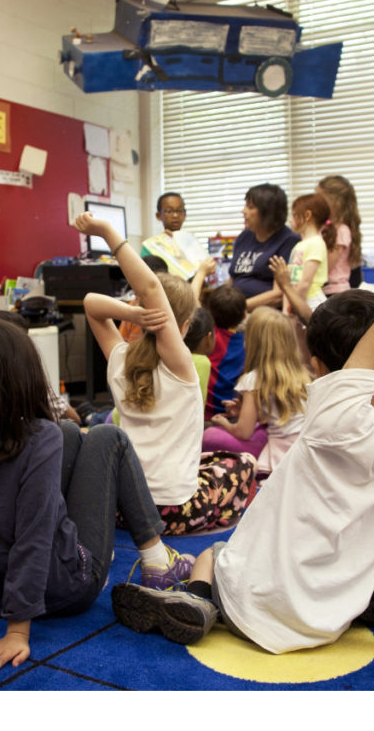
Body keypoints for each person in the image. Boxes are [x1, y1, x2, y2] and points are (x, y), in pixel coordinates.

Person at [110, 212, 374, 652]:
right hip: (331, 613)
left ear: (317, 367)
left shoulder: (332, 413)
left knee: (214, 555)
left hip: (252, 602)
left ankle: (197, 597)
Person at [0, 318, 193, 677]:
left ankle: (156, 563)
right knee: (108, 437)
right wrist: (17, 631)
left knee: (69, 432)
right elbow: (33, 535)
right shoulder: (37, 435)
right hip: (66, 590)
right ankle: (157, 566)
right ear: (25, 374)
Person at [76, 211, 257, 536]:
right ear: (184, 326)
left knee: (209, 458)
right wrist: (106, 231)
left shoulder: (119, 358)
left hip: (124, 510)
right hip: (173, 513)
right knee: (244, 464)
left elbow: (90, 303)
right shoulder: (181, 366)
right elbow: (149, 285)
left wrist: (131, 312)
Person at [204, 307, 310, 475]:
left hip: (280, 451)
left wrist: (222, 422)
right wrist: (243, 410)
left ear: (253, 341)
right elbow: (280, 415)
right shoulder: (302, 375)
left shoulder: (254, 379)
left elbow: (243, 432)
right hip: (304, 447)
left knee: (210, 435)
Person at [228, 184, 300, 311]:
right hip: (236, 311)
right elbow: (233, 278)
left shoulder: (289, 241)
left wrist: (237, 309)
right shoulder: (245, 236)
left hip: (265, 314)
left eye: (250, 207)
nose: (243, 211)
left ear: (268, 212)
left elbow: (279, 294)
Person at [275, 193, 331, 315]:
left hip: (311, 301)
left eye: (294, 215)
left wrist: (291, 306)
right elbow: (289, 280)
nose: (290, 220)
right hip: (297, 300)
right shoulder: (299, 245)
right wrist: (287, 306)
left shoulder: (316, 243)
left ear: (307, 215)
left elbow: (306, 282)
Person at [203, 284, 248, 421]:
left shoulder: (205, 336)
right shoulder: (246, 344)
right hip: (228, 414)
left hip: (201, 411)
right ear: (244, 314)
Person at [141, 192, 210, 280]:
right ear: (159, 216)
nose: (175, 215)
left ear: (185, 215)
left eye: (180, 211)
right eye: (169, 211)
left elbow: (208, 269)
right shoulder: (151, 246)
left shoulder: (191, 242)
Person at [317, 175, 363, 293]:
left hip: (334, 291)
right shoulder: (324, 227)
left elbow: (326, 267)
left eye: (319, 198)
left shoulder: (341, 231)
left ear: (334, 202)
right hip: (324, 289)